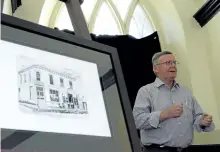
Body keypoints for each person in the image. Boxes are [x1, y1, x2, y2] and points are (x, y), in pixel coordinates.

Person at [133, 51, 215, 152]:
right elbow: (138, 121)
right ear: (155, 68)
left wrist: (202, 121)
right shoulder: (146, 91)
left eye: (174, 62)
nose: (173, 66)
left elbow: (197, 117)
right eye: (168, 63)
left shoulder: (185, 92)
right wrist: (164, 114)